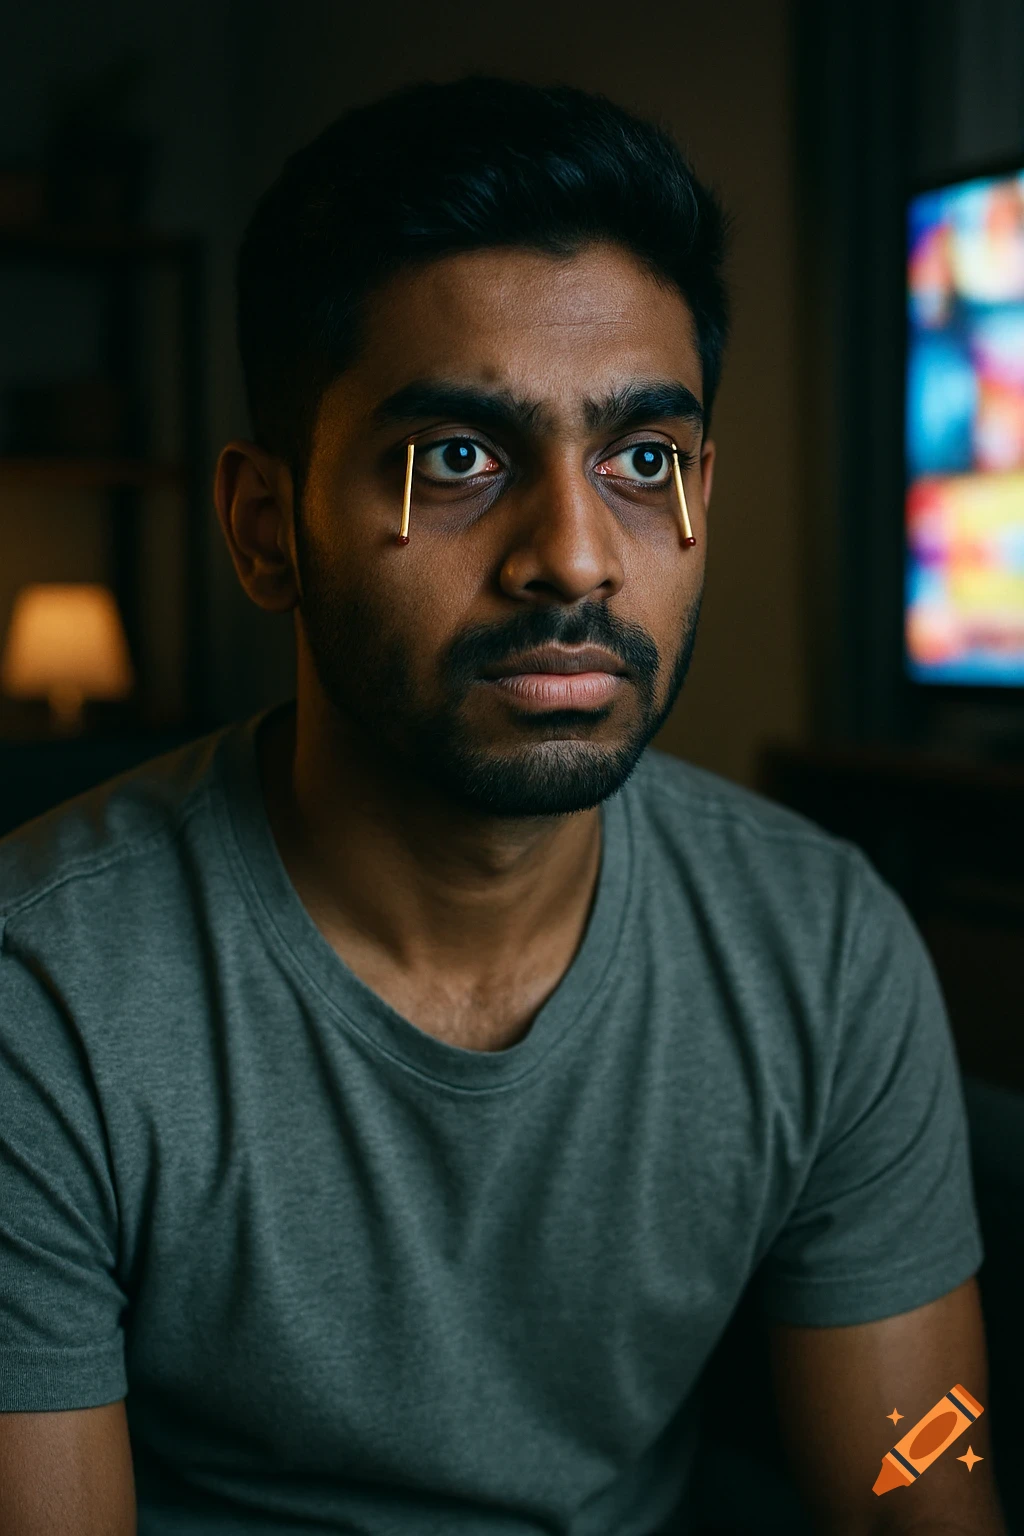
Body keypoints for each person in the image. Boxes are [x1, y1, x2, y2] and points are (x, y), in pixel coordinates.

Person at [0, 76, 1007, 1536]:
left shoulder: (825, 949)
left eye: (643, 459)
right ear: (265, 527)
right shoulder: (46, 1000)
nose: (577, 558)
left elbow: (923, 1483)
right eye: (457, 459)